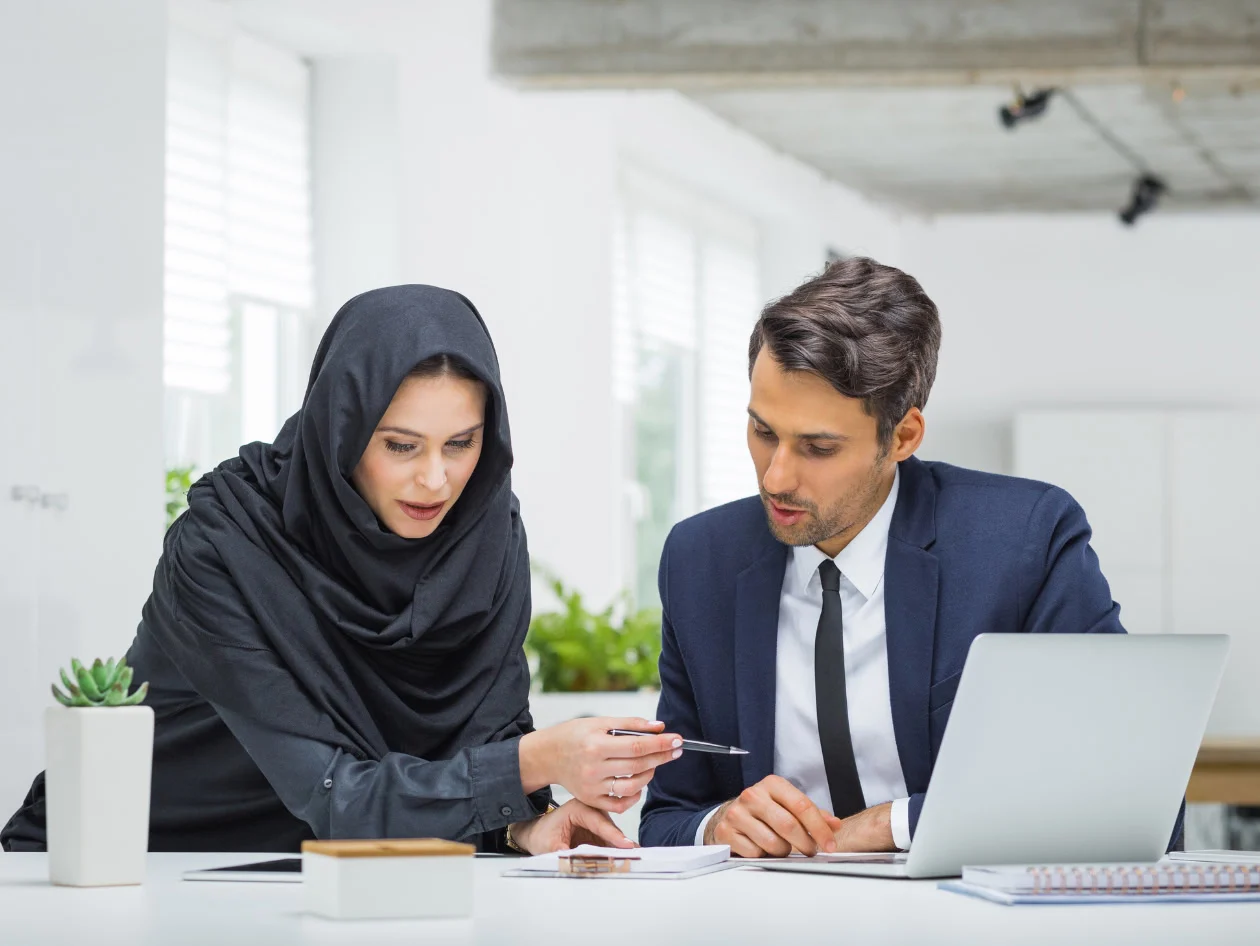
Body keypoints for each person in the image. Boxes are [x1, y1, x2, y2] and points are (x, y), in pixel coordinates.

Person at [3, 285, 681, 855]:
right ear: (340, 430)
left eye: (461, 444)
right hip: (129, 874)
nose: (435, 480)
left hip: (339, 884)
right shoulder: (225, 547)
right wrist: (535, 761)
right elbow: (333, 794)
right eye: (400, 445)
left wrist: (526, 828)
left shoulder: (486, 537)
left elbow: (486, 746)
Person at [638, 256, 1183, 856]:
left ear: (903, 437)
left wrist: (895, 825)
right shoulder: (699, 561)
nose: (776, 476)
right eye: (763, 431)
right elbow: (668, 818)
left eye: (818, 447)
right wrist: (717, 825)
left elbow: (1121, 780)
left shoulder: (1023, 541)